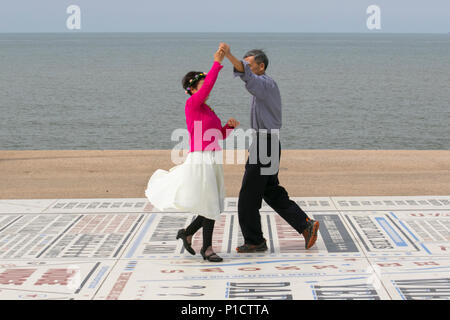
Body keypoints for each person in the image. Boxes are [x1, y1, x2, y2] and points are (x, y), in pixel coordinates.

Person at [219, 43, 320, 253]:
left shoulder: (265, 84)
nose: (244, 68)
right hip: (267, 143)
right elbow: (247, 76)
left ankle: (255, 241)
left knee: (248, 196)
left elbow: (247, 77)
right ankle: (305, 225)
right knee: (270, 190)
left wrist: (228, 55)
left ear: (261, 67)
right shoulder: (263, 88)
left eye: (248, 64)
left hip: (265, 144)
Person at [145, 45, 240, 262]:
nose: (206, 88)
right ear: (193, 89)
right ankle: (207, 249)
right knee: (210, 203)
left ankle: (187, 234)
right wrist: (217, 62)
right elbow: (208, 86)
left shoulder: (207, 109)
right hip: (200, 159)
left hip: (212, 158)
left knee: (211, 203)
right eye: (202, 84)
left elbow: (217, 135)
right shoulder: (193, 104)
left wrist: (228, 128)